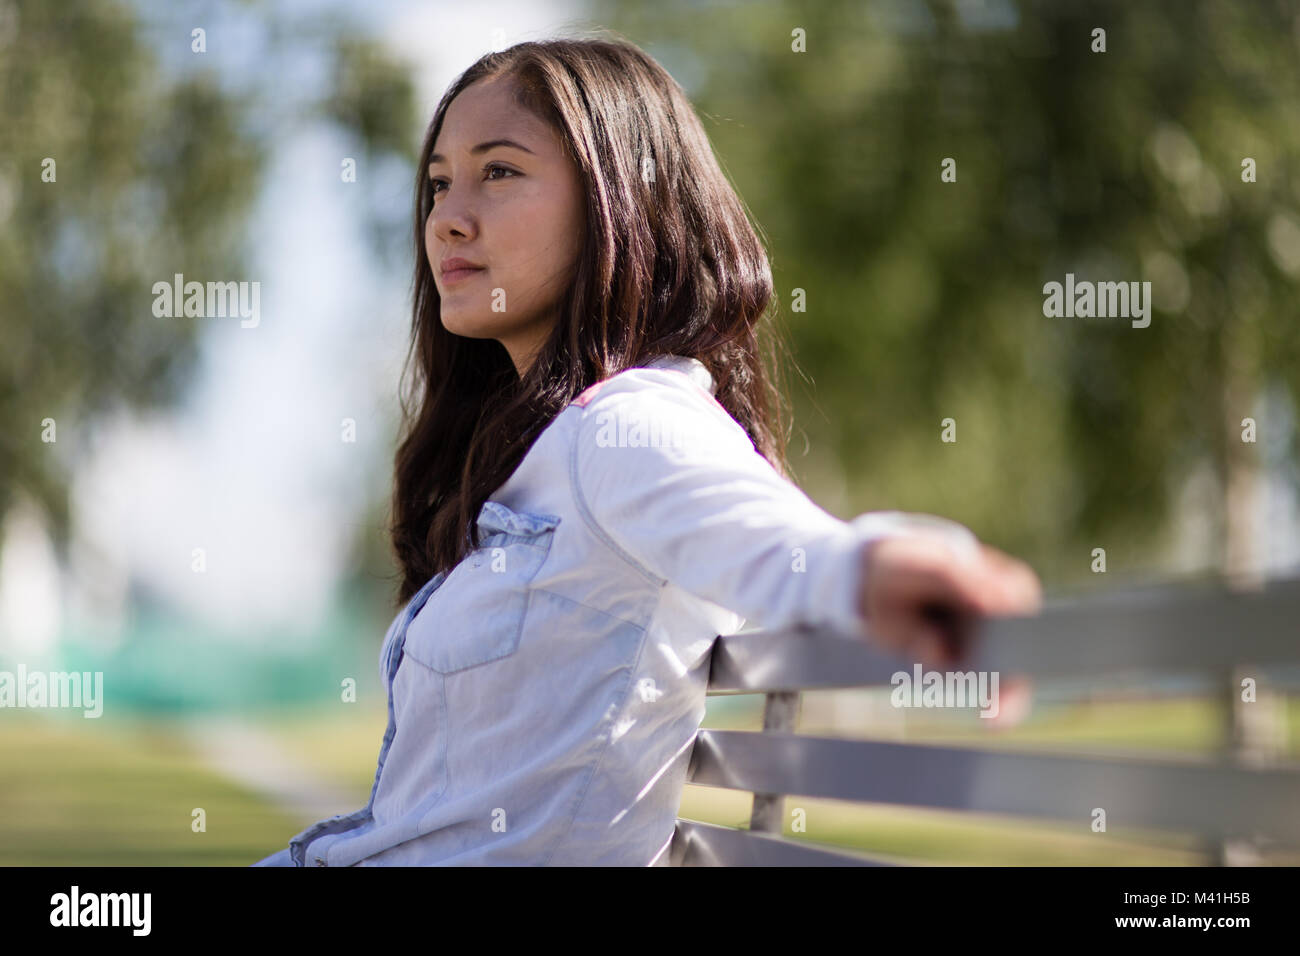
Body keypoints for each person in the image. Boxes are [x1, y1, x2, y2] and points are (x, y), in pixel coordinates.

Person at [252, 35, 1040, 868]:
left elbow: (771, 540)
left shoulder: (626, 423)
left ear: (615, 202)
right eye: (441, 182)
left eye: (500, 171)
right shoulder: (544, 452)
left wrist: (874, 568)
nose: (448, 214)